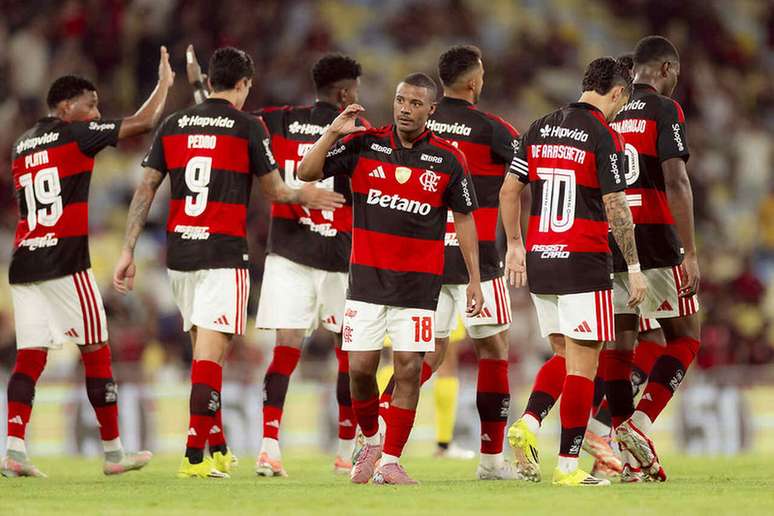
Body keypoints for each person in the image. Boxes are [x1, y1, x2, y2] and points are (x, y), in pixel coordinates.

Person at [113, 47, 342, 479]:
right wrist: (307, 194)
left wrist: (127, 249)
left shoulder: (174, 123)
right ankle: (194, 456)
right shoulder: (247, 126)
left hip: (179, 254)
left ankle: (216, 445)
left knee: (207, 351)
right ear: (243, 85)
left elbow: (145, 189)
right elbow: (275, 192)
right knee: (209, 358)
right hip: (222, 253)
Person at [187, 46, 367, 476]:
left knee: (286, 351)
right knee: (350, 355)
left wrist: (199, 86)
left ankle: (269, 447)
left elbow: (224, 122)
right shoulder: (358, 131)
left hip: (288, 254)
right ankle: (345, 452)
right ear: (344, 94)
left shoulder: (279, 120)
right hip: (340, 257)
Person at [297, 72, 483, 485]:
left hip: (418, 288)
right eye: (401, 100)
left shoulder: (449, 159)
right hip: (365, 284)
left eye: (416, 103)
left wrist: (474, 278)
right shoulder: (366, 144)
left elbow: (465, 219)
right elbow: (307, 172)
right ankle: (371, 440)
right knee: (360, 371)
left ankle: (391, 461)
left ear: (431, 110)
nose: (405, 109)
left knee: (408, 371)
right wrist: (332, 131)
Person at [2, 47, 174, 478]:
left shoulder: (22, 144)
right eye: (90, 103)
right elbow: (145, 122)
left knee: (30, 358)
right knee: (97, 349)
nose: (97, 111)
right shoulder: (76, 135)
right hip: (65, 263)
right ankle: (114, 452)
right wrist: (165, 85)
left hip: (24, 262)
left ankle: (13, 450)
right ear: (66, 107)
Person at [500, 57, 647, 487]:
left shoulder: (539, 127)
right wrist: (634, 267)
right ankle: (567, 468)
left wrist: (514, 245)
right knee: (584, 366)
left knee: (565, 358)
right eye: (623, 101)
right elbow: (617, 205)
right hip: (583, 260)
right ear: (618, 93)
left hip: (542, 259)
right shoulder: (605, 135)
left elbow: (510, 189)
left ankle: (528, 422)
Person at [377, 45, 519, 478]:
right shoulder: (496, 131)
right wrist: (517, 241)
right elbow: (523, 181)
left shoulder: (415, 126)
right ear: (475, 82)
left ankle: (376, 431)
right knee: (493, 350)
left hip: (423, 258)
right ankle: (492, 461)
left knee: (426, 354)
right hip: (478, 259)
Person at [603, 35, 700, 482]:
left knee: (622, 345)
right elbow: (676, 180)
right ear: (663, 70)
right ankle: (640, 424)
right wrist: (691, 252)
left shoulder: (610, 111)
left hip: (611, 240)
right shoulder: (665, 110)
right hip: (657, 240)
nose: (676, 82)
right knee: (686, 336)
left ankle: (627, 458)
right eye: (675, 73)